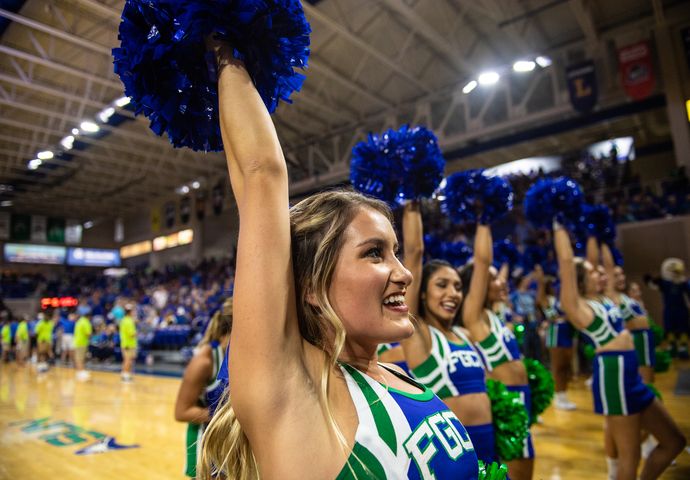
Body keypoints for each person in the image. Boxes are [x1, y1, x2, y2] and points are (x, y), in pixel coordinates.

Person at [198, 44, 479, 479]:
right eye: (374, 253)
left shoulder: (395, 373)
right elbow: (262, 175)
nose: (403, 274)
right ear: (311, 285)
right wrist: (223, 45)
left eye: (395, 253)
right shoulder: (296, 391)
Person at [553, 221, 685, 480]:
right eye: (593, 272)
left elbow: (607, 266)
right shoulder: (579, 308)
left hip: (632, 376)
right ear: (580, 280)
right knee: (630, 457)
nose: (600, 274)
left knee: (674, 442)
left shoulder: (608, 298)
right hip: (613, 377)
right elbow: (567, 264)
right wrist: (559, 223)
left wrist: (595, 233)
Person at [396, 202, 496, 465]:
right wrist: (412, 198)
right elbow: (415, 254)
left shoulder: (465, 334)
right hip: (455, 456)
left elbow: (483, 265)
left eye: (457, 287)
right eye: (442, 285)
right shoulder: (421, 336)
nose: (453, 293)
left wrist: (484, 217)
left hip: (490, 445)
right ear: (423, 293)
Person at [459, 224, 535, 480]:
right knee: (519, 471)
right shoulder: (475, 318)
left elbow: (494, 273)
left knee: (524, 468)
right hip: (506, 402)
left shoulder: (495, 314)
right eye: (491, 279)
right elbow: (482, 263)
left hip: (520, 398)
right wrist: (484, 220)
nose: (500, 281)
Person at [175, 298, 232, 478]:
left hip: (230, 442)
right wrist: (225, 416)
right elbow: (182, 412)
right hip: (204, 441)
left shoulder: (246, 357)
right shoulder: (205, 360)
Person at [535, 266, 576, 410]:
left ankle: (564, 394)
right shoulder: (547, 300)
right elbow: (540, 297)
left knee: (566, 366)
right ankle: (558, 396)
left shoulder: (561, 299)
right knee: (558, 366)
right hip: (555, 333)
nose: (553, 286)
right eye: (550, 285)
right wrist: (540, 280)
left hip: (567, 332)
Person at [119, 304, 138, 382]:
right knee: (128, 360)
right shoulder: (129, 321)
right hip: (128, 344)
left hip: (125, 343)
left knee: (127, 360)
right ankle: (125, 375)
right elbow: (131, 334)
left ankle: (126, 374)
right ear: (130, 312)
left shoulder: (123, 320)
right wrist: (137, 332)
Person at [74, 311, 93, 381]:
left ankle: (80, 370)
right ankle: (80, 372)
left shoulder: (79, 321)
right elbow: (88, 333)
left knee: (79, 357)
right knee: (80, 358)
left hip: (77, 341)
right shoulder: (86, 322)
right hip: (82, 342)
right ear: (89, 317)